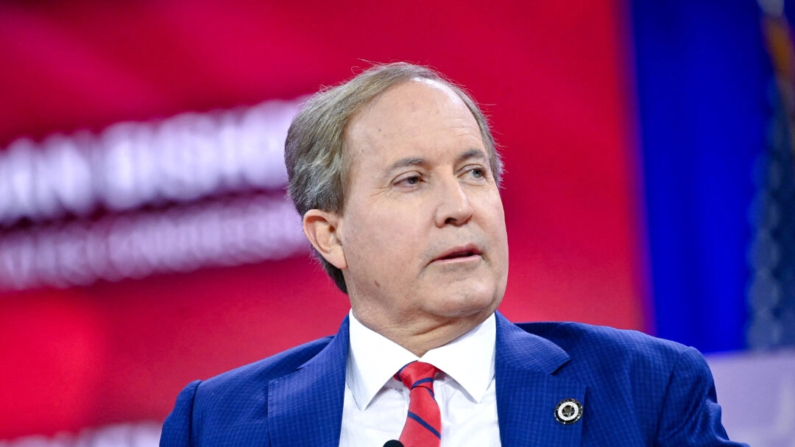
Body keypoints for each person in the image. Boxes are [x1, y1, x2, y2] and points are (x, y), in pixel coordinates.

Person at [160, 62, 745, 446]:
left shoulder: (643, 388)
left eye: (474, 171)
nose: (460, 206)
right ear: (329, 234)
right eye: (412, 180)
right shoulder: (215, 422)